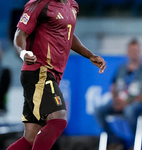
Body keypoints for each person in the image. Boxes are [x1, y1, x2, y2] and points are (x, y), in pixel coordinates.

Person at [6, 0, 106, 150]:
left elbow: (68, 35)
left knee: (31, 137)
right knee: (59, 118)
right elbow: (20, 34)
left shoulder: (72, 5)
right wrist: (23, 52)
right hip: (39, 71)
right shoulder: (40, 4)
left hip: (49, 74)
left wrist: (89, 55)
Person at [94, 39, 142, 150]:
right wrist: (116, 99)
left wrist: (127, 102)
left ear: (140, 52)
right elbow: (113, 87)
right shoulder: (121, 68)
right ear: (127, 52)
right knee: (99, 110)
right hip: (120, 102)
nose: (134, 53)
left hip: (137, 103)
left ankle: (134, 143)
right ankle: (114, 141)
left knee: (129, 110)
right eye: (131, 50)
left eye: (136, 50)